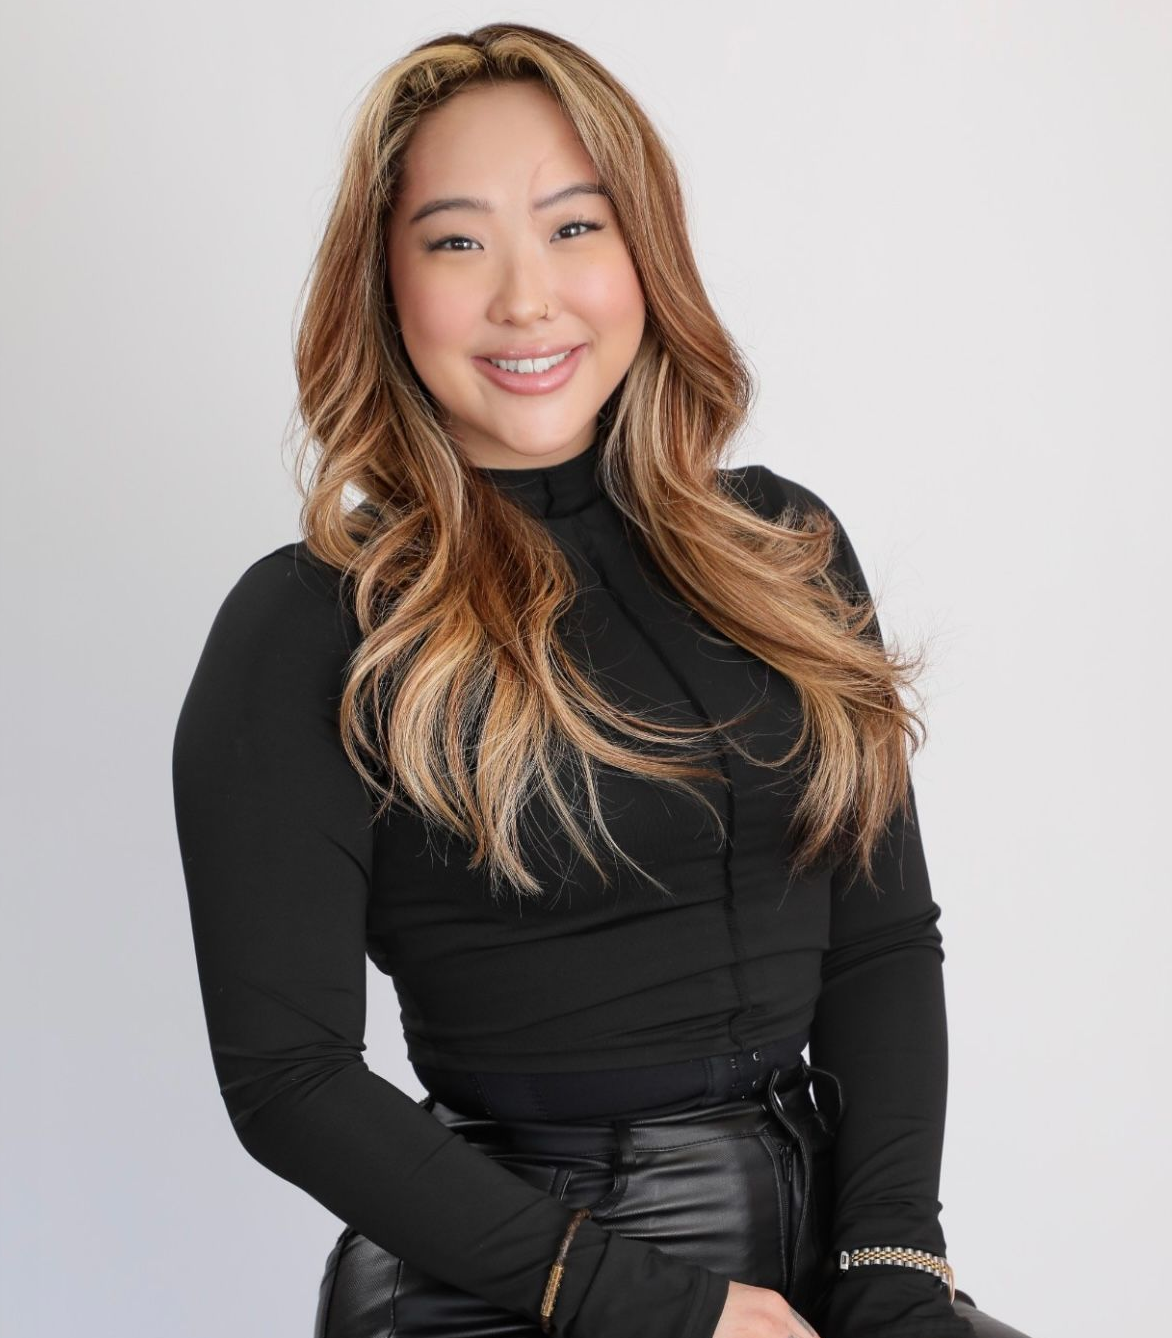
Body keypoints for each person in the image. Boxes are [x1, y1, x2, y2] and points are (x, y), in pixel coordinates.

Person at [171, 22, 1033, 1338]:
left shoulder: (785, 545)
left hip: (830, 1259)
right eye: (458, 240)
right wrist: (663, 1308)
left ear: (647, 253)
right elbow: (290, 1079)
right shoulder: (311, 626)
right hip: (509, 1287)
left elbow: (880, 938)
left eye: (575, 227)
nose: (527, 296)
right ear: (385, 283)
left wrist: (892, 1265)